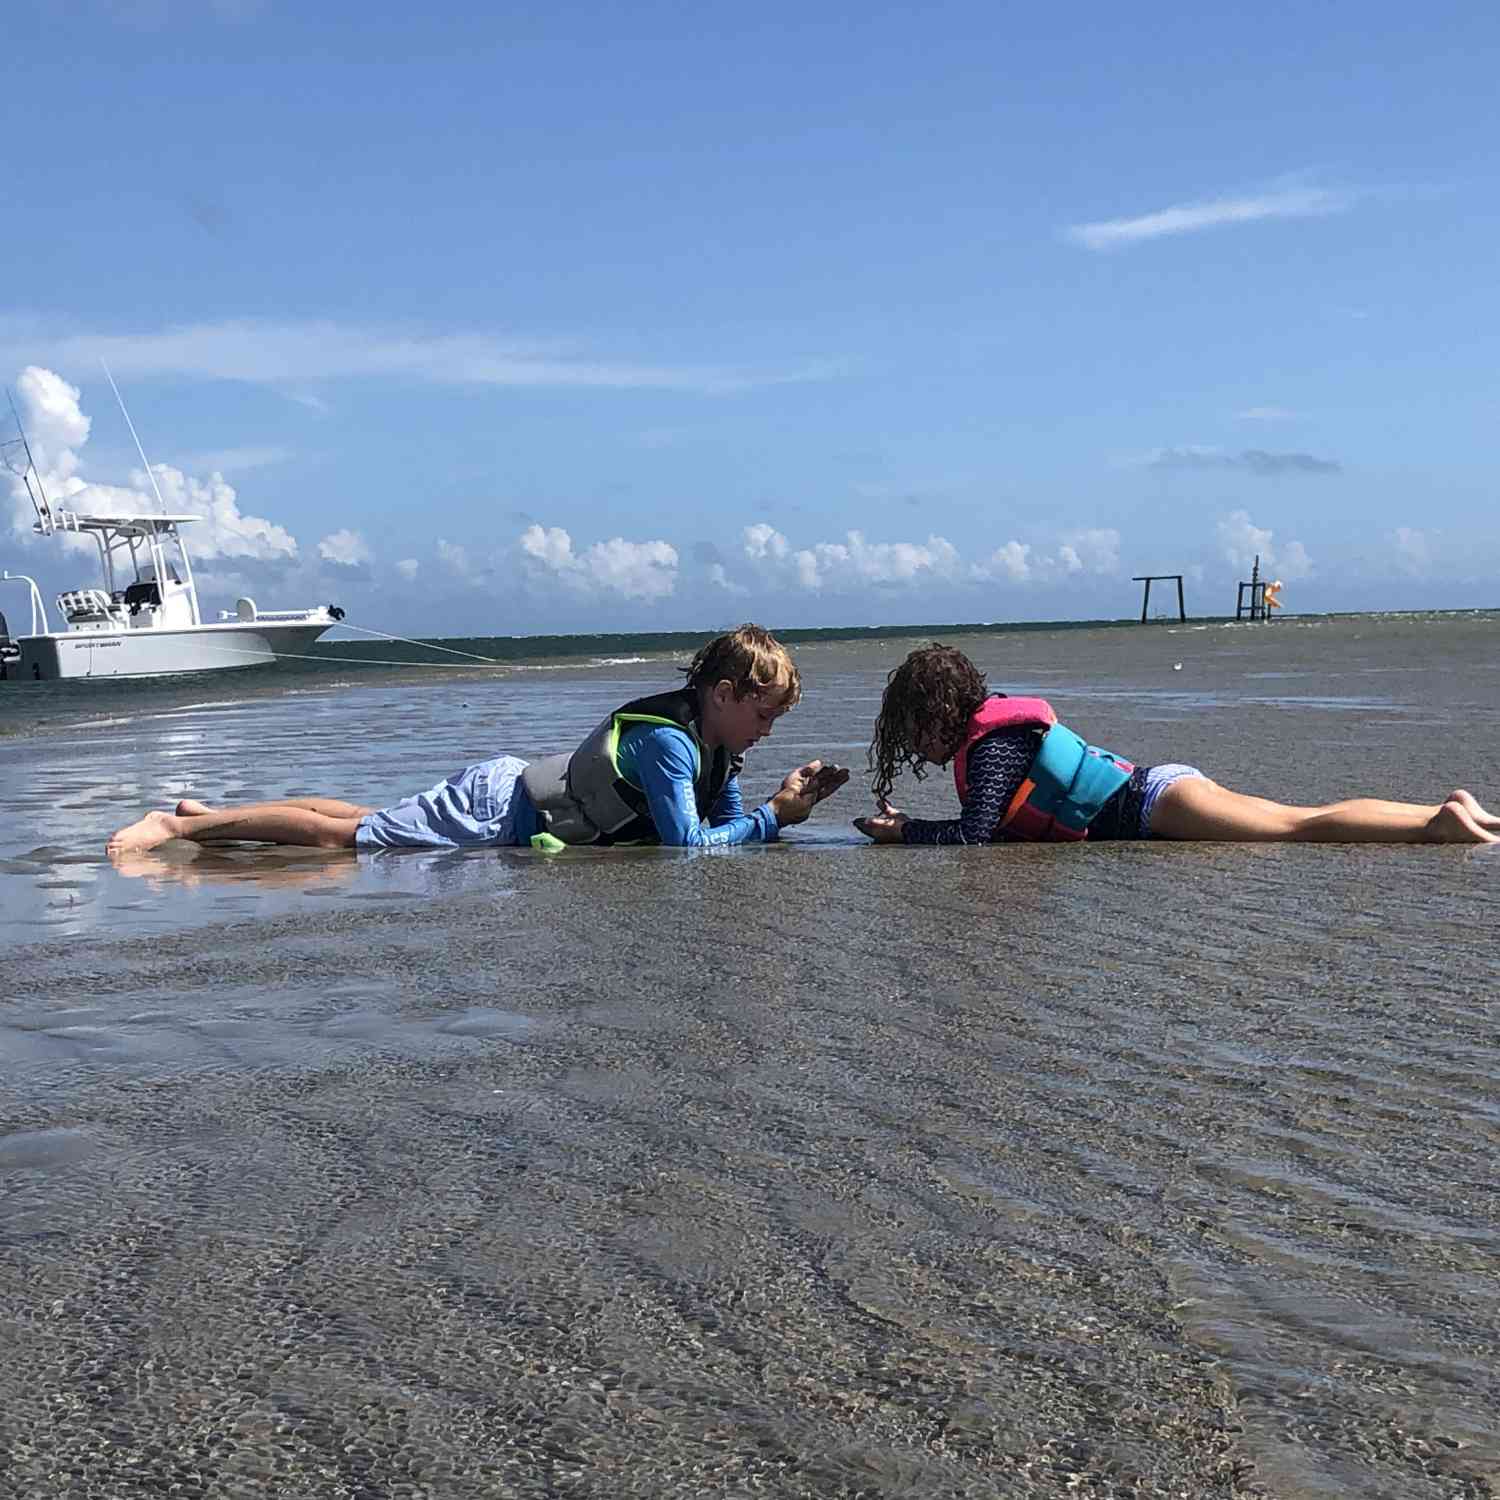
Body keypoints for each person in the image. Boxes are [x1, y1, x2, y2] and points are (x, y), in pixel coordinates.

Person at [106, 624, 850, 858]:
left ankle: (209, 811)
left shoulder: (716, 747)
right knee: (348, 839)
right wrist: (772, 821)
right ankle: (180, 825)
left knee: (364, 817)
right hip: (501, 809)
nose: (767, 730)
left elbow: (721, 826)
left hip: (507, 794)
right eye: (763, 715)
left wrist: (774, 806)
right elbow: (691, 847)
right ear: (723, 695)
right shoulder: (672, 746)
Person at [854, 643, 1500, 846]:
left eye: (914, 727)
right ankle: (1442, 813)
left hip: (1151, 805)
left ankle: (1437, 825)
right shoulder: (1000, 729)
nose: (915, 742)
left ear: (938, 713)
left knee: (1298, 827)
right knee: (1295, 816)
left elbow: (974, 838)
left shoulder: (990, 748)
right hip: (1159, 788)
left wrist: (904, 832)